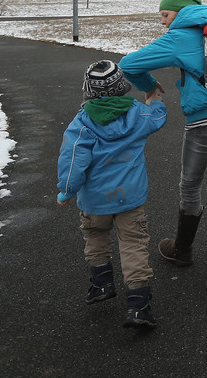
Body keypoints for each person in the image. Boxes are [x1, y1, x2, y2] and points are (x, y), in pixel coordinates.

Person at [118, 0, 207, 281]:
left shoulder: (179, 37)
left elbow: (128, 64)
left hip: (205, 121)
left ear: (179, 12)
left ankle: (182, 250)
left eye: (165, 15)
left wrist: (149, 86)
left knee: (190, 186)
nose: (163, 22)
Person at [57, 60, 167, 328]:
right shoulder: (139, 114)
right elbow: (158, 117)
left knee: (95, 238)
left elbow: (73, 160)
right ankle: (138, 305)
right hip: (130, 199)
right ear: (123, 88)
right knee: (133, 244)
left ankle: (102, 284)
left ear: (88, 91)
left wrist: (67, 189)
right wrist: (153, 99)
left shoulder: (82, 123)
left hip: (94, 201)